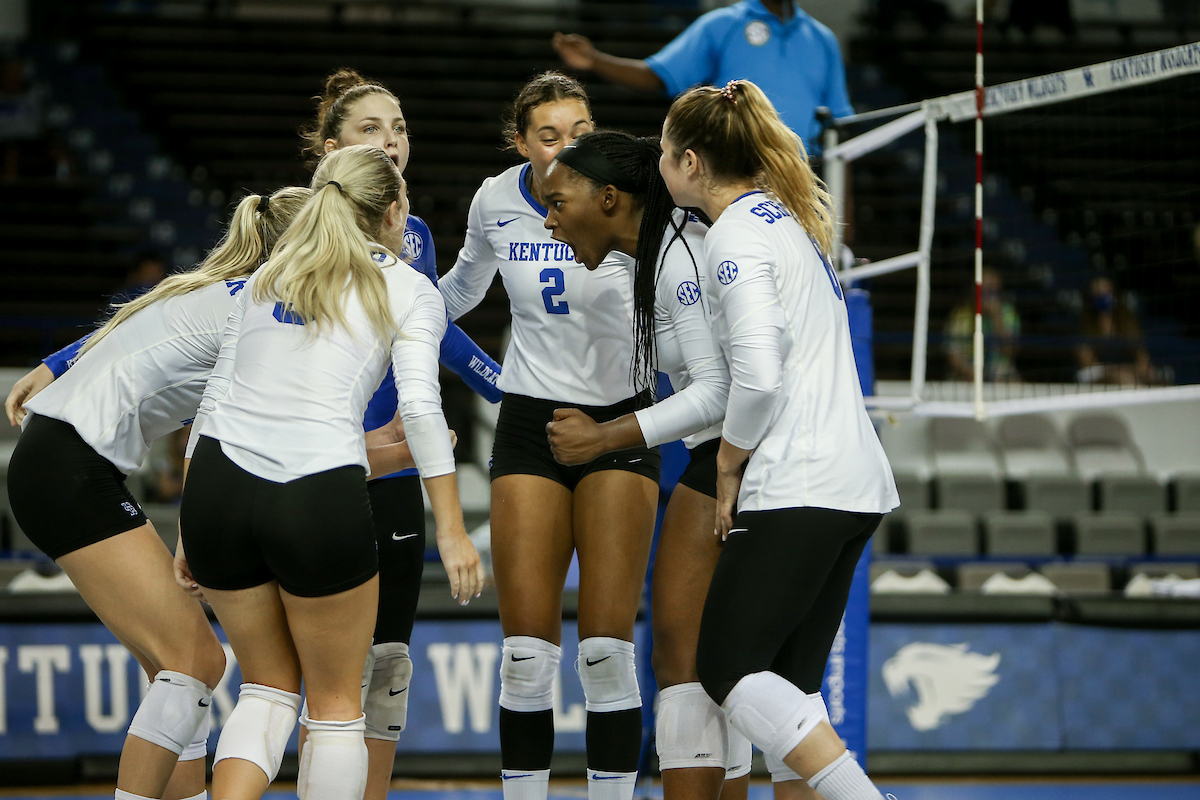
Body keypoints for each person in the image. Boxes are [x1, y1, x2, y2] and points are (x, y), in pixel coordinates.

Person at [176, 145, 484, 800]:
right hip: (314, 489)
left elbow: (210, 405)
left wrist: (185, 527)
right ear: (395, 211)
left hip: (216, 490)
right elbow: (423, 414)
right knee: (339, 707)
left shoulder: (268, 275)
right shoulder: (407, 287)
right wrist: (453, 529)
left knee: (262, 689)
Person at [5, 185, 311, 800]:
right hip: (69, 466)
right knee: (199, 661)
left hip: (60, 461)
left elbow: (132, 328)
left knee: (174, 668)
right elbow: (212, 437)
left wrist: (57, 361)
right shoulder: (259, 314)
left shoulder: (221, 293)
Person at [659, 80, 898, 800]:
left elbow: (758, 379)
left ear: (693, 163)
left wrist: (729, 461)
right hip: (853, 482)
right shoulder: (786, 218)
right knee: (791, 689)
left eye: (667, 152)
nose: (660, 163)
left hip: (800, 481)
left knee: (727, 669)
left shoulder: (733, 232)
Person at [437, 72, 659, 800]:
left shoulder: (629, 199)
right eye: (549, 135)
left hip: (620, 419)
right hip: (530, 421)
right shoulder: (496, 199)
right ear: (520, 141)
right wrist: (388, 309)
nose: (568, 147)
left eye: (580, 131)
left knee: (605, 655)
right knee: (526, 658)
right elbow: (458, 295)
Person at [299, 67, 503, 800]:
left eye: (400, 127)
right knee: (323, 678)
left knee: (388, 666)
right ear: (330, 149)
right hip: (316, 471)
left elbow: (434, 333)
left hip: (392, 477)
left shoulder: (408, 232)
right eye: (369, 129)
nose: (391, 142)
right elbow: (215, 334)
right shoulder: (290, 229)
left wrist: (511, 398)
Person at [538, 130, 754, 800]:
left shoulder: (675, 256)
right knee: (722, 662)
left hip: (741, 456)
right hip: (732, 454)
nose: (548, 218)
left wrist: (602, 438)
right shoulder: (660, 252)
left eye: (557, 200)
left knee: (690, 660)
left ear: (608, 198)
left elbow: (714, 391)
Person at [552, 0, 853, 151]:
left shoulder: (822, 39)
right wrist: (595, 60)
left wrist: (845, 216)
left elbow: (839, 129)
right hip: (735, 171)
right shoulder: (723, 25)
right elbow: (659, 75)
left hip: (800, 179)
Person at [1077, 275, 1158, 386]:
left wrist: (1134, 370)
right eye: (1098, 293)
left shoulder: (1128, 323)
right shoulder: (1084, 325)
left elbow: (1143, 358)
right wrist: (1116, 371)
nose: (1103, 296)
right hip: (1098, 375)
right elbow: (1089, 364)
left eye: (1107, 292)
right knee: (1124, 378)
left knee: (1151, 378)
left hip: (1129, 372)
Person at [944, 267, 1021, 383]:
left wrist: (997, 317)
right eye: (984, 291)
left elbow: (1009, 351)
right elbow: (953, 355)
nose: (989, 297)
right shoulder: (961, 314)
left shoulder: (1008, 313)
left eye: (993, 292)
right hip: (968, 370)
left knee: (1011, 377)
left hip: (999, 371)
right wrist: (971, 373)